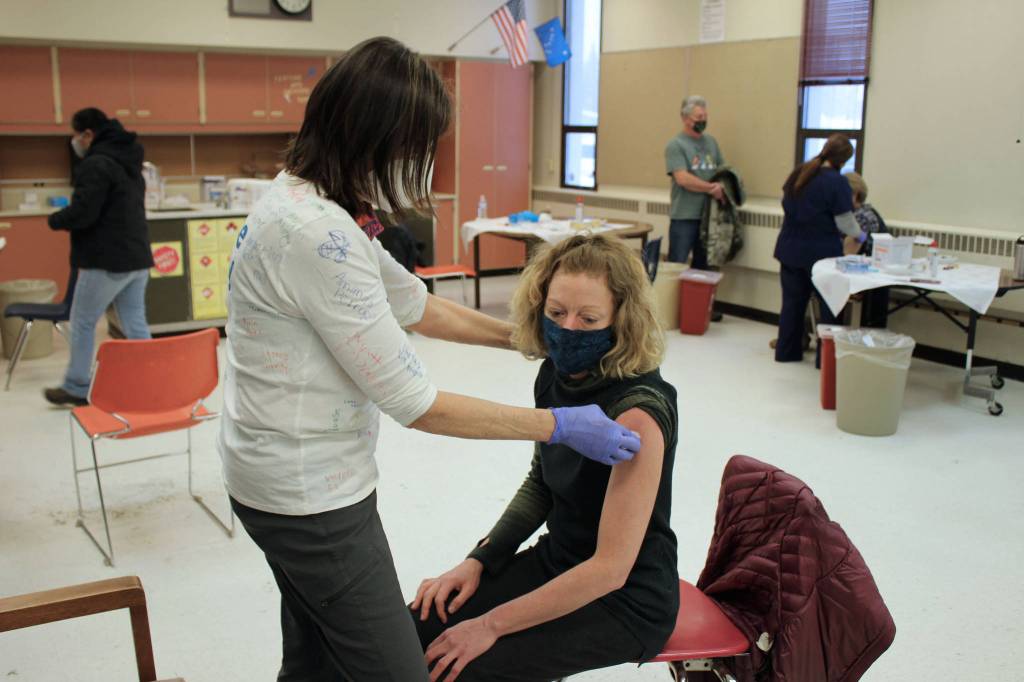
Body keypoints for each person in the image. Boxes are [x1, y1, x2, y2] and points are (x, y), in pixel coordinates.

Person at [219, 37, 641, 682]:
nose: (420, 167)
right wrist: (560, 424)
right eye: (416, 150)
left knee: (316, 653)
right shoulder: (318, 236)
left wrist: (520, 337)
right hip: (308, 495)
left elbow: (413, 303)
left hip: (271, 472)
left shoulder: (305, 201)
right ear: (375, 139)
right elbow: (416, 403)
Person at [411, 233, 679, 682]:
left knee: (466, 667)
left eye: (588, 317)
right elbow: (542, 483)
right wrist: (481, 559)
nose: (567, 328)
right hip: (560, 560)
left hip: (625, 599)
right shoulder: (555, 373)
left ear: (621, 320)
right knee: (417, 627)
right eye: (556, 313)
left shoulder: (638, 413)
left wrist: (490, 624)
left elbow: (609, 570)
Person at [44, 108, 153, 406]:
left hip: (106, 260)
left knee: (82, 321)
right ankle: (153, 379)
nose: (75, 141)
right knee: (135, 323)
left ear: (88, 134)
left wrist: (55, 219)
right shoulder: (130, 161)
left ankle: (77, 386)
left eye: (76, 135)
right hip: (137, 256)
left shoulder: (96, 164)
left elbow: (84, 212)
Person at [774, 134, 861, 362]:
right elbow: (845, 222)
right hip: (821, 256)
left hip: (791, 250)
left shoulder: (799, 174)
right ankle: (826, 360)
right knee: (829, 308)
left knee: (792, 306)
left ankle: (786, 353)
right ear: (844, 160)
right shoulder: (837, 182)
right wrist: (861, 235)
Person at [665, 95, 725, 320]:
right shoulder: (676, 145)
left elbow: (721, 170)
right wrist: (710, 188)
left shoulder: (711, 142)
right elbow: (683, 179)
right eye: (698, 117)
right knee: (678, 263)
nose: (703, 120)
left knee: (704, 266)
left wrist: (723, 186)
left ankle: (701, 310)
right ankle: (671, 311)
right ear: (685, 118)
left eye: (705, 116)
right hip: (684, 215)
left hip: (708, 216)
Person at [845, 172, 891, 327]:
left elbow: (847, 252)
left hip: (869, 278)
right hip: (871, 274)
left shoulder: (861, 217)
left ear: (854, 195)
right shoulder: (866, 211)